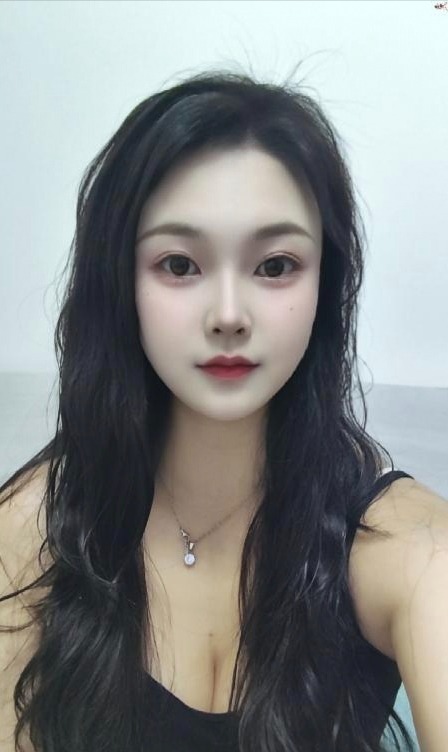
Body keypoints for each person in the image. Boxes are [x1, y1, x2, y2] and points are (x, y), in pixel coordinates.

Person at [0, 64, 419, 752]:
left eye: (275, 266)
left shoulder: (402, 546)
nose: (228, 314)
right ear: (121, 283)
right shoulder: (30, 531)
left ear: (327, 283)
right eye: (180, 265)